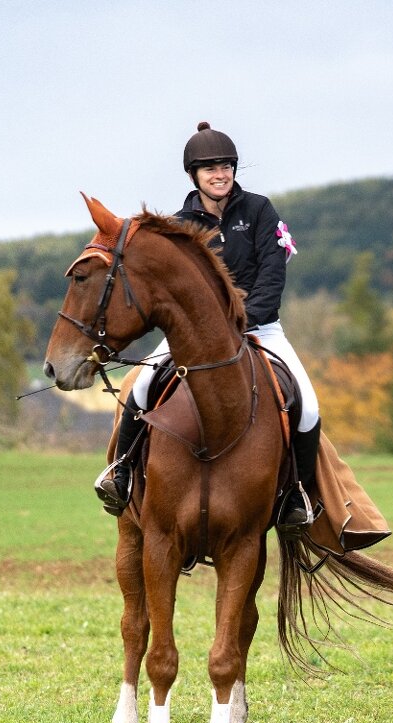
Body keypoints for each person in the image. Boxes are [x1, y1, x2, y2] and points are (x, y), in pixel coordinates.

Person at [96, 122, 321, 533]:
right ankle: (121, 471)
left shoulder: (259, 210)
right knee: (142, 386)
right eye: (210, 169)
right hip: (194, 338)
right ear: (193, 176)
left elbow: (272, 274)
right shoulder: (180, 226)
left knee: (308, 404)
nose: (220, 174)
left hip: (261, 329)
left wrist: (242, 321)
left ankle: (299, 496)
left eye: (226, 167)